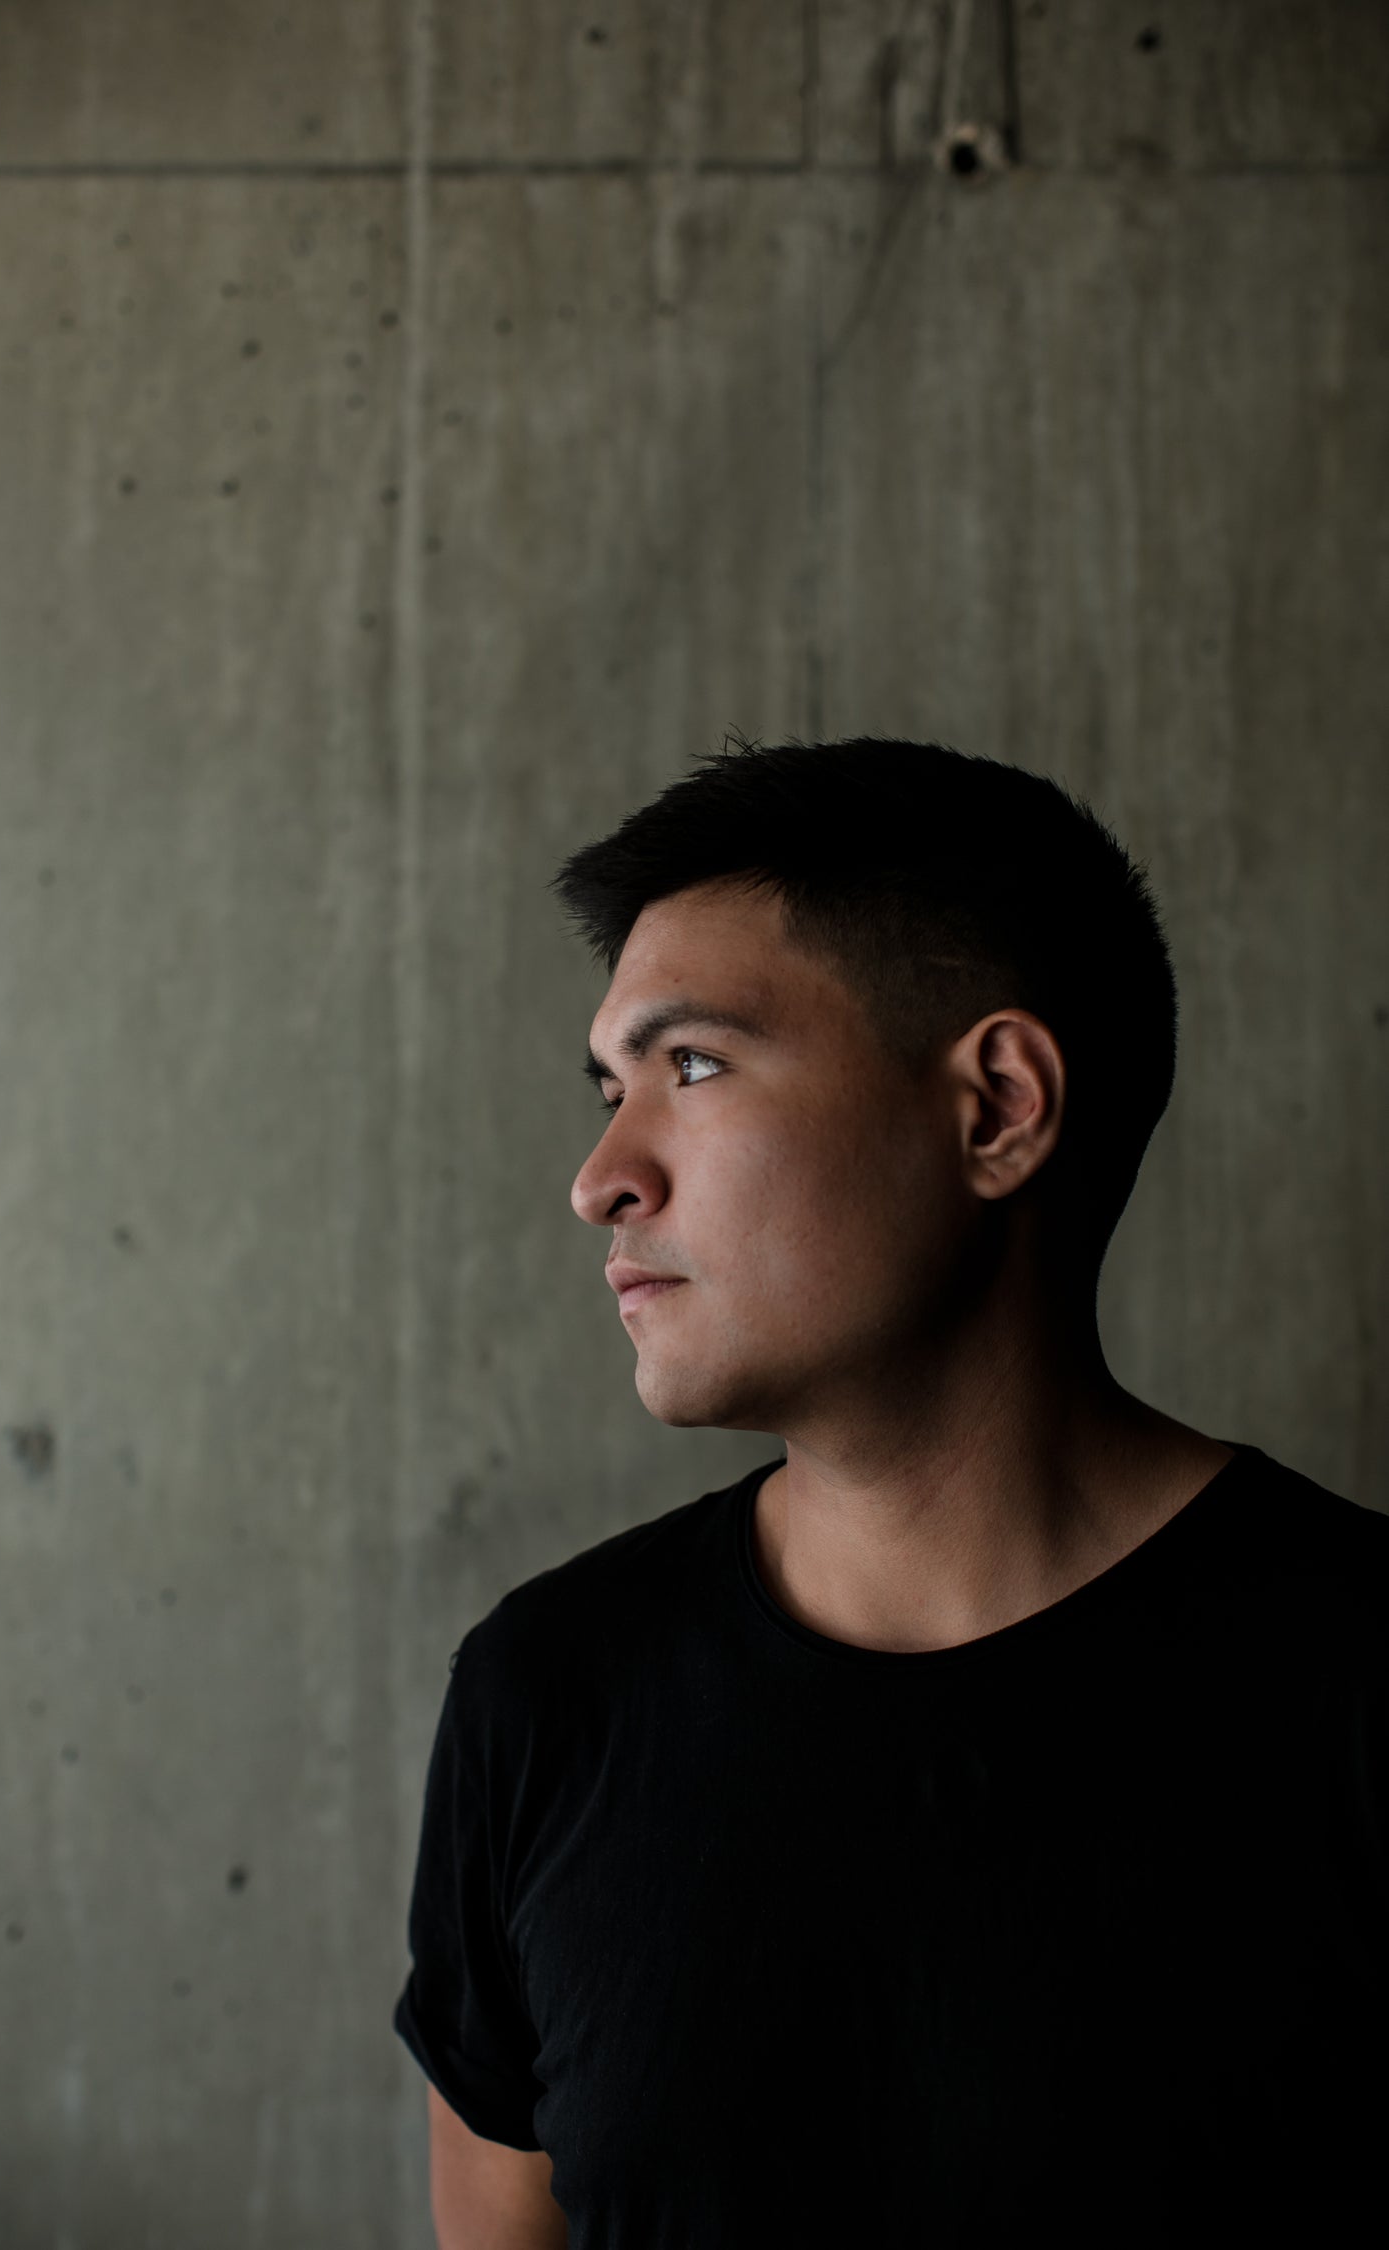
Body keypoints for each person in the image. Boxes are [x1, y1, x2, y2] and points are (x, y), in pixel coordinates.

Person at [393, 734, 1388, 2248]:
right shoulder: (548, 1697)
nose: (601, 1175)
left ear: (996, 1106)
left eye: (695, 1064)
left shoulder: (1365, 1681)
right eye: (608, 1086)